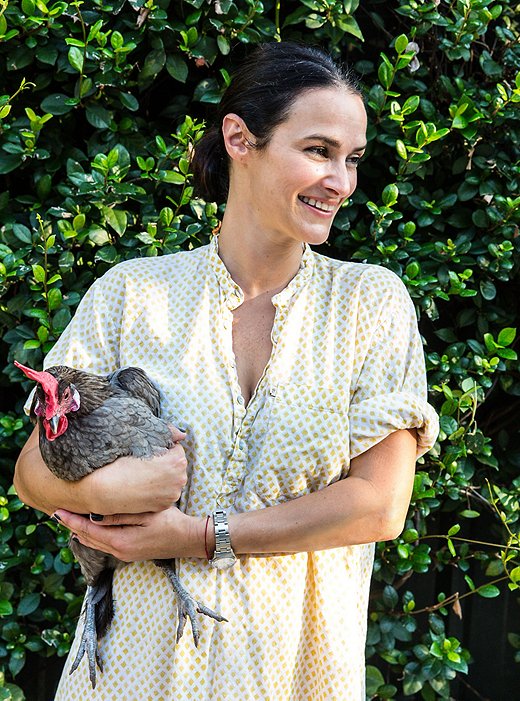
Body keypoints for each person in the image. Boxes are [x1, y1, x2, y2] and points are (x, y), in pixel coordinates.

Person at [14, 42, 438, 700]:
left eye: (352, 159)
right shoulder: (132, 292)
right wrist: (126, 482)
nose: (342, 181)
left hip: (295, 676)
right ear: (240, 138)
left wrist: (199, 535)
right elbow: (32, 474)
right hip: (131, 672)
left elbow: (378, 506)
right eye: (319, 150)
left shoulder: (370, 305)